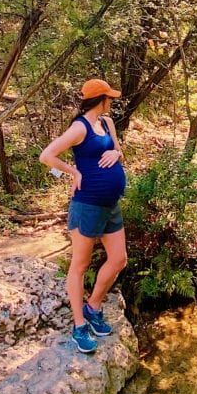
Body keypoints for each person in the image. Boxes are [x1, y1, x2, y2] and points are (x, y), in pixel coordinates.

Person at [39, 78, 128, 354]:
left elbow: (118, 151)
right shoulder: (80, 127)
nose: (111, 101)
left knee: (119, 259)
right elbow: (47, 156)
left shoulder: (108, 123)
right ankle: (79, 326)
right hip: (87, 205)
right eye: (108, 97)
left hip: (111, 204)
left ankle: (93, 307)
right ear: (99, 99)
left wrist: (116, 153)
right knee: (80, 265)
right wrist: (73, 172)